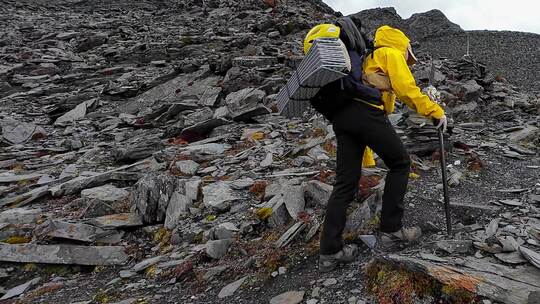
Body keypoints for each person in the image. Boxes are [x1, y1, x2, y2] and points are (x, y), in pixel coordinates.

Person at [312, 23, 447, 272]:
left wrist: (367, 155)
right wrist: (435, 111)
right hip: (365, 112)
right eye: (410, 52)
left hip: (342, 117)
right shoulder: (390, 53)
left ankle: (330, 252)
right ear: (402, 45)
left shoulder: (365, 59)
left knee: (345, 182)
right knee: (400, 163)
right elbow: (406, 90)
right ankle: (391, 232)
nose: (410, 58)